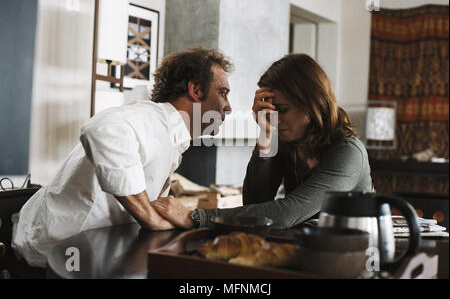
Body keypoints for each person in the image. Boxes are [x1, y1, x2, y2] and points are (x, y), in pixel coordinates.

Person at [12, 47, 233, 267]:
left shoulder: (171, 137)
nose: (229, 107)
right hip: (56, 258)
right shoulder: (154, 118)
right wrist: (150, 217)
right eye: (223, 92)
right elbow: (101, 128)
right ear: (195, 90)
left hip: (82, 256)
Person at [151, 53, 375, 230]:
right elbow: (255, 202)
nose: (275, 119)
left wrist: (195, 216)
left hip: (352, 259)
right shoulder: (288, 144)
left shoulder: (348, 152)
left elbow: (287, 213)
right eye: (270, 111)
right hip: (310, 254)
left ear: (312, 103)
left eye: (282, 110)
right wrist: (265, 138)